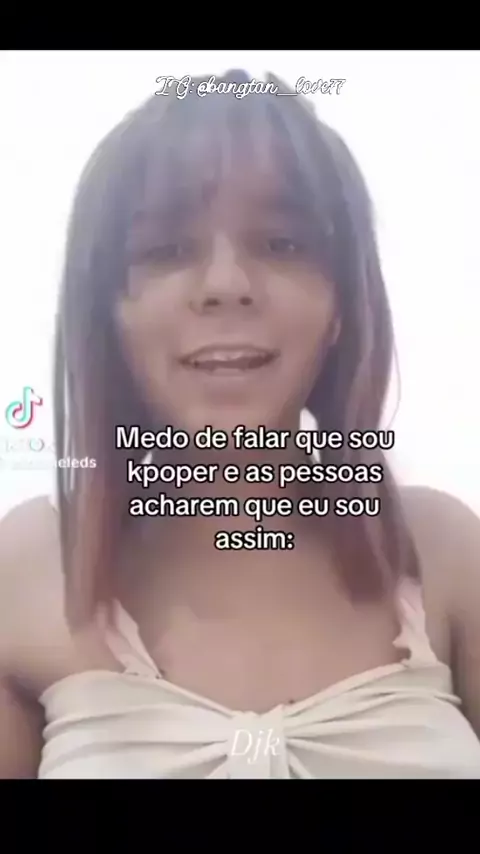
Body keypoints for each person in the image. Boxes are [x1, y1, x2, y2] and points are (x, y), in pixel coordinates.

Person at [1, 70, 479, 779]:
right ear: (107, 311)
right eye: (166, 249)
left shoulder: (444, 552)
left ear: (342, 304)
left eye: (282, 244)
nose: (226, 284)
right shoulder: (28, 567)